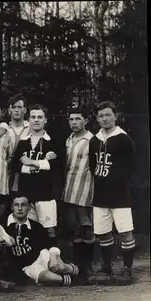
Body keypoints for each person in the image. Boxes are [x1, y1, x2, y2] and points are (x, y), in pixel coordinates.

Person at [89, 101, 136, 284]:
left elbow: (132, 167)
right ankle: (107, 267)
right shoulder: (95, 140)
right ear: (97, 119)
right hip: (100, 194)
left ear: (115, 116)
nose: (104, 119)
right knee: (103, 233)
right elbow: (93, 166)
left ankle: (127, 269)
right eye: (101, 116)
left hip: (120, 195)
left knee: (125, 232)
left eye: (108, 115)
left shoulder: (124, 139)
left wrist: (117, 181)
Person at [4, 194, 81, 286]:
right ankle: (70, 279)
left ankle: (73, 269)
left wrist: (53, 257)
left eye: (23, 205)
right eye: (17, 205)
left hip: (39, 257)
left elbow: (50, 243)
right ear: (12, 207)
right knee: (44, 276)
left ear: (29, 208)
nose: (20, 208)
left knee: (55, 263)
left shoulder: (36, 226)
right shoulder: (3, 225)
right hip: (27, 267)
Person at [11, 104, 60, 245]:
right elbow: (16, 165)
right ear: (29, 120)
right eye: (33, 117)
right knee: (29, 229)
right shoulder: (23, 142)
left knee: (49, 229)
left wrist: (30, 161)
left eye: (40, 117)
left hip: (46, 193)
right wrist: (33, 167)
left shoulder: (53, 141)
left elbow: (55, 165)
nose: (36, 120)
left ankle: (52, 261)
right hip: (26, 193)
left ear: (45, 120)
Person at [60, 107, 95, 280]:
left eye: (78, 119)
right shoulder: (68, 140)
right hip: (68, 188)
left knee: (85, 226)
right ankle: (78, 267)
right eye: (71, 119)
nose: (74, 122)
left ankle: (87, 267)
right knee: (73, 228)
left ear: (86, 120)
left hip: (85, 187)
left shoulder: (92, 140)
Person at [6, 94, 31, 196]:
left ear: (25, 110)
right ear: (9, 110)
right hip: (6, 173)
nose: (16, 110)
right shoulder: (4, 129)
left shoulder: (31, 128)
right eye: (14, 107)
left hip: (26, 173)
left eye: (19, 107)